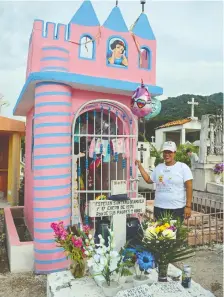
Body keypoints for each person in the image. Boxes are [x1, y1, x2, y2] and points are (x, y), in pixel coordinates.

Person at [136, 141, 193, 221]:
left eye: (170, 152)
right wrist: (139, 166)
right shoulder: (159, 167)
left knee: (174, 232)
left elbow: (189, 187)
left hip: (177, 208)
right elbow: (148, 180)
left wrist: (188, 206)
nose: (167, 154)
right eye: (165, 152)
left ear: (174, 153)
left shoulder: (183, 167)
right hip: (159, 207)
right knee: (159, 232)